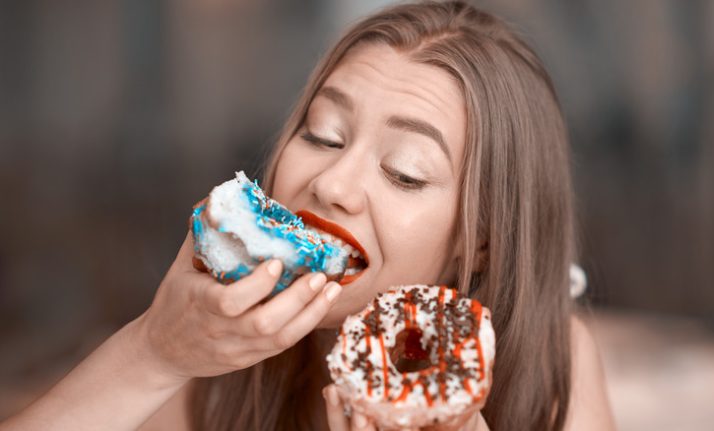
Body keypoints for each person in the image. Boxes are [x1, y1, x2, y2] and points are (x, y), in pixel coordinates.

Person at [0, 2, 614, 430]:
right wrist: (153, 352)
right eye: (322, 136)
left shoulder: (554, 353)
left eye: (405, 172)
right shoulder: (218, 356)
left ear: (479, 244)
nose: (332, 184)